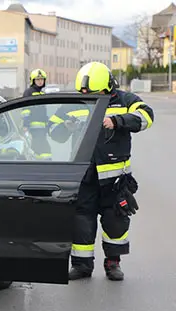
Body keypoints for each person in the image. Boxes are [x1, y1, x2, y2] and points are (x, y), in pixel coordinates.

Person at [48, 61, 153, 281]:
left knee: (115, 222)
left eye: (95, 93)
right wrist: (65, 127)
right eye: (85, 93)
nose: (89, 96)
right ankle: (82, 266)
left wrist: (117, 121)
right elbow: (52, 131)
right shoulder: (74, 102)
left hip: (115, 180)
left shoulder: (126, 100)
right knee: (81, 222)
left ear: (107, 86)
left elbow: (146, 117)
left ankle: (113, 263)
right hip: (84, 176)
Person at [21, 69, 52, 160]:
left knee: (42, 147)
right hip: (33, 127)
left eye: (42, 79)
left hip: (42, 128)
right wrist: (26, 125)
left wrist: (47, 123)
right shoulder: (29, 92)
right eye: (37, 79)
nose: (40, 81)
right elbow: (25, 110)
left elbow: (44, 111)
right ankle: (44, 163)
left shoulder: (42, 93)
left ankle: (44, 162)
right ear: (33, 81)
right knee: (41, 148)